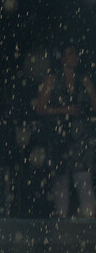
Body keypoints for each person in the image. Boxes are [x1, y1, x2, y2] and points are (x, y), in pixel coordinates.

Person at [35, 44, 96, 217]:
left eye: (76, 53)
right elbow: (40, 108)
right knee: (61, 180)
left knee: (83, 178)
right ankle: (61, 221)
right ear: (62, 58)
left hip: (80, 136)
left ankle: (89, 224)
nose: (75, 56)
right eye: (70, 53)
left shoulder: (83, 80)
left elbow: (93, 104)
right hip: (59, 135)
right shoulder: (52, 80)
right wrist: (64, 110)